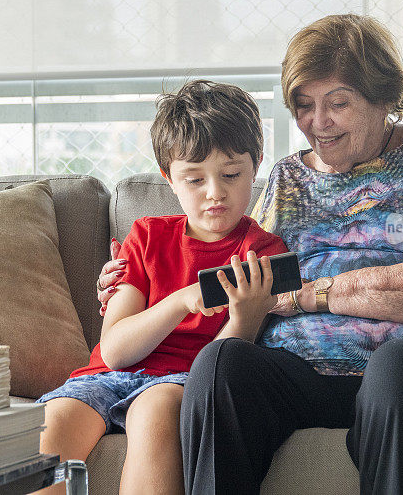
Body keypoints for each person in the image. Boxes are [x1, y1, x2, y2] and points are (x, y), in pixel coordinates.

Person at [97, 14, 403, 495]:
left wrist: (312, 295)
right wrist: (133, 280)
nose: (318, 123)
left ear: (383, 98)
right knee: (222, 362)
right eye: (304, 105)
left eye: (338, 103)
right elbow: (246, 279)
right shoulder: (287, 177)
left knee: (399, 364)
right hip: (306, 376)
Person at [36, 80, 288, 494]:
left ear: (256, 166)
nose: (215, 193)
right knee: (53, 425)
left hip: (181, 381)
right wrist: (181, 300)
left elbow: (220, 371)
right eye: (194, 180)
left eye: (231, 174)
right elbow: (116, 351)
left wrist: (244, 319)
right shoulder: (148, 237)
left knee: (155, 412)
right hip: (104, 376)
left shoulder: (261, 251)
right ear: (168, 179)